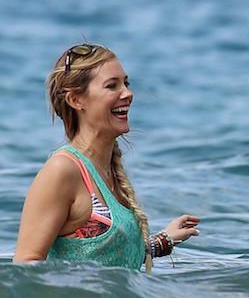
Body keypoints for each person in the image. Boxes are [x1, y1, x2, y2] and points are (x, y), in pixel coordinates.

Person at [14, 43, 200, 270]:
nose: (128, 93)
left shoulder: (106, 171)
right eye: (112, 86)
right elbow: (26, 266)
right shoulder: (63, 170)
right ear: (76, 100)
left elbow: (108, 258)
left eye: (126, 83)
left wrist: (162, 242)